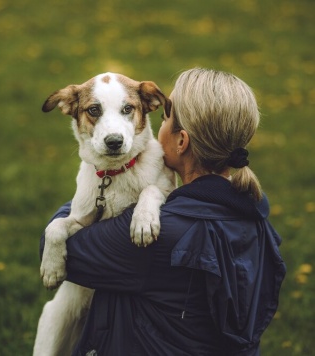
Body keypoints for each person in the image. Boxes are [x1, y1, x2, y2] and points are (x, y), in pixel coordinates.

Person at [40, 68, 286, 355]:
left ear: (182, 141)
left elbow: (61, 251)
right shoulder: (252, 210)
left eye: (164, 118)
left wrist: (100, 178)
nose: (158, 127)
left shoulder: (161, 234)